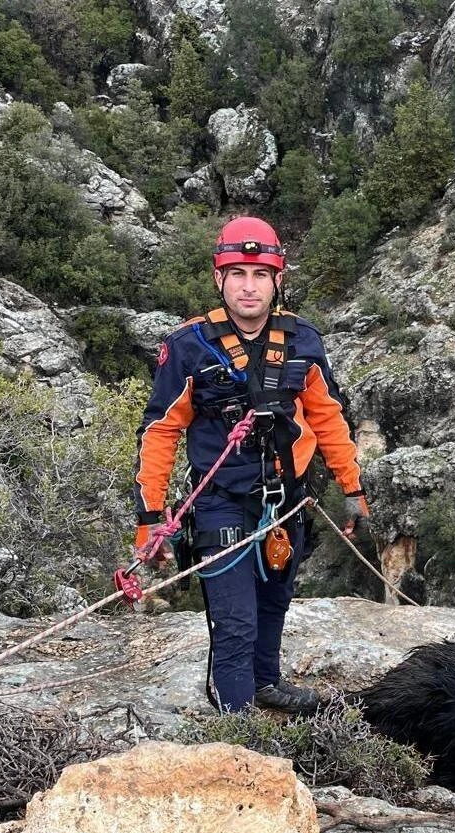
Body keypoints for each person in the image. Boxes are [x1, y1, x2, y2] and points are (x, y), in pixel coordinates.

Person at [133, 215, 369, 715]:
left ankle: (265, 682)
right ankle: (236, 721)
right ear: (219, 278)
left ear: (277, 279)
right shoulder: (188, 347)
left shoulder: (303, 341)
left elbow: (328, 418)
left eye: (260, 274)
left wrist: (352, 488)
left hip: (287, 501)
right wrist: (150, 517)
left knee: (274, 601)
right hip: (221, 504)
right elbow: (160, 431)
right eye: (237, 273)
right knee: (234, 619)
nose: (248, 286)